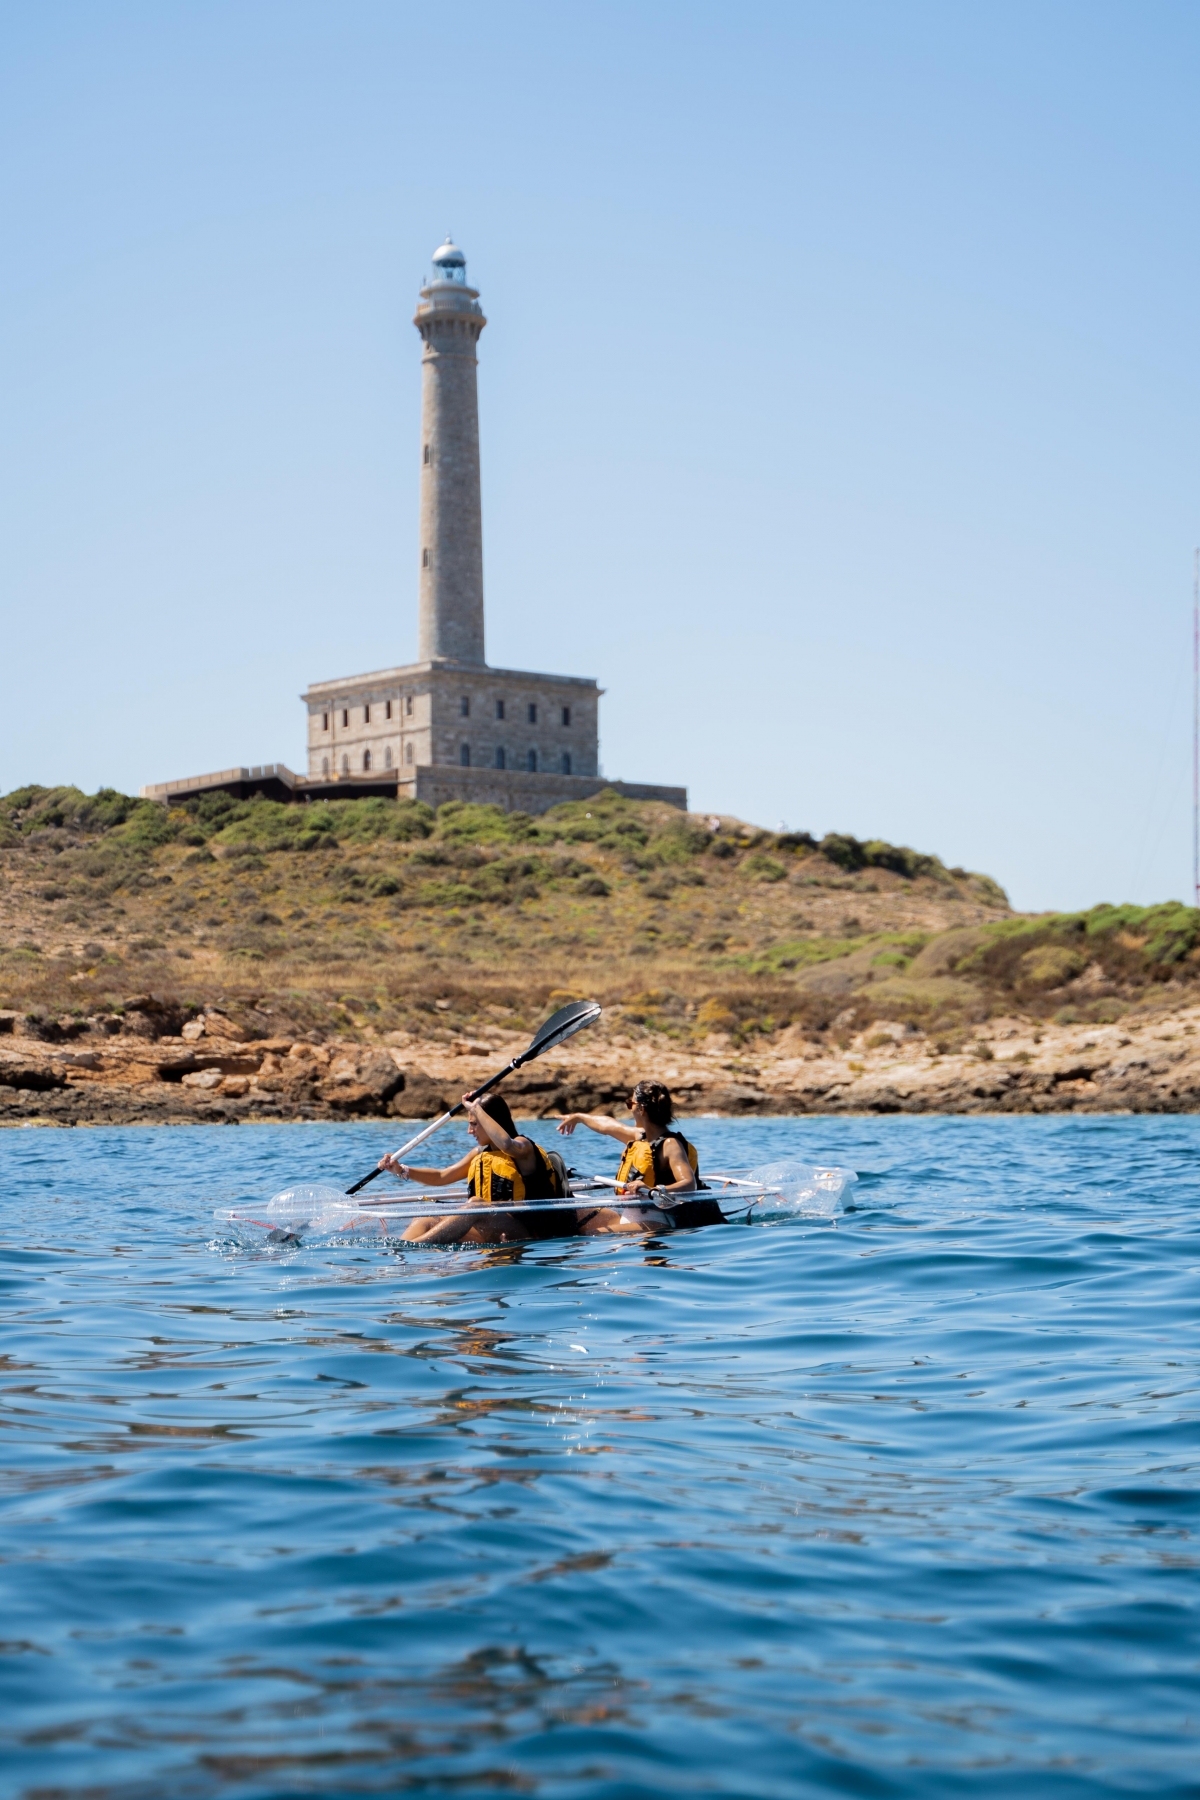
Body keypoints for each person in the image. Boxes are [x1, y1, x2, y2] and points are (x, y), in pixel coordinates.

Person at [378, 1092, 576, 1245]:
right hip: (490, 1228)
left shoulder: (523, 1147)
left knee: (476, 1204)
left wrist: (477, 1108)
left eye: (475, 1124)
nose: (469, 1131)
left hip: (527, 1232)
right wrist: (400, 1169)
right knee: (427, 1220)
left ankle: (413, 1247)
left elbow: (507, 1145)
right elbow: (441, 1176)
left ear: (491, 1122)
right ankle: (398, 1253)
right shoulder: (479, 1154)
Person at [558, 1080, 725, 1233]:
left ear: (641, 1109)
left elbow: (689, 1184)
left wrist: (656, 1189)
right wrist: (578, 1117)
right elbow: (608, 1125)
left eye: (630, 1104)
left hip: (659, 1219)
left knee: (592, 1234)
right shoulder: (640, 1137)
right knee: (570, 1217)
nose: (630, 1108)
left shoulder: (670, 1144)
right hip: (633, 1214)